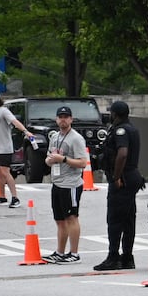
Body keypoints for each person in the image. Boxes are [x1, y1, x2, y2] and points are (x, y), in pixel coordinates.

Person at [94, 100, 145, 271]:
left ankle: (113, 257)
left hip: (123, 178)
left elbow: (122, 154)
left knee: (115, 220)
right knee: (129, 219)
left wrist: (116, 177)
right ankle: (127, 257)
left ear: (115, 114)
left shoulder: (121, 131)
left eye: (111, 113)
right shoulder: (132, 128)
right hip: (132, 176)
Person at [43, 105, 90, 264]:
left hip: (71, 184)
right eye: (60, 117)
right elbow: (49, 157)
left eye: (66, 117)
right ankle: (60, 252)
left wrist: (63, 159)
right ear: (56, 119)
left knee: (71, 218)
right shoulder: (55, 136)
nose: (63, 119)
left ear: (71, 119)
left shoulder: (75, 138)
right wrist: (50, 160)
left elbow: (83, 162)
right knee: (60, 220)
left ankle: (74, 253)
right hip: (57, 182)